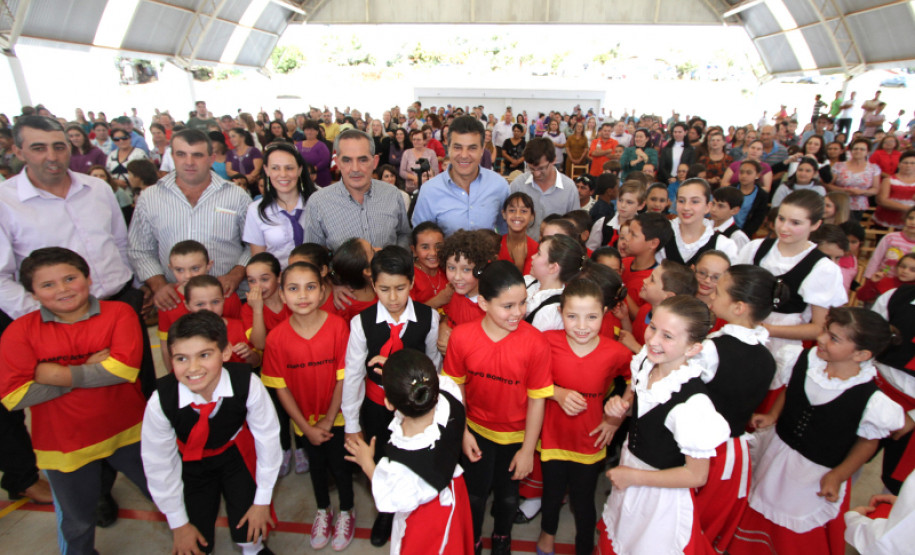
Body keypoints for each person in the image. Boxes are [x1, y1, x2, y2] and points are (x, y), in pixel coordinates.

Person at [0, 116, 151, 507]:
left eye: (59, 145)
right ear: (17, 151)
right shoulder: (5, 202)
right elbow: (1, 277)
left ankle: (153, 473)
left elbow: (120, 243)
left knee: (133, 393)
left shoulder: (97, 188)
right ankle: (93, 491)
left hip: (117, 304)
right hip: (53, 321)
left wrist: (131, 291)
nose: (52, 156)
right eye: (38, 147)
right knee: (77, 409)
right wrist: (49, 321)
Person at [0, 247, 150, 554]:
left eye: (70, 278)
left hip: (131, 431)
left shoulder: (119, 313)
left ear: (88, 278)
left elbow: (122, 369)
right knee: (77, 521)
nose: (63, 289)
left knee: (169, 495)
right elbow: (15, 397)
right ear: (33, 293)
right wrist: (88, 370)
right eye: (48, 285)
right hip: (64, 446)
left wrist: (51, 374)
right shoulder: (19, 332)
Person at [730, 308, 905, 555]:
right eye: (825, 330)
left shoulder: (871, 401)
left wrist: (839, 475)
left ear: (861, 354)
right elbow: (791, 390)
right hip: (778, 451)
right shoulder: (807, 359)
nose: (821, 339)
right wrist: (773, 415)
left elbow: (867, 444)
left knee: (794, 530)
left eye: (834, 338)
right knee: (759, 500)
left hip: (814, 473)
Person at [142, 310, 281, 555]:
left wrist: (262, 501)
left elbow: (267, 439)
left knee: (248, 521)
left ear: (225, 352)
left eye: (204, 355)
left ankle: (253, 549)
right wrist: (178, 524)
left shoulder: (247, 383)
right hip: (191, 464)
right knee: (196, 536)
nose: (193, 368)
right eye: (181, 358)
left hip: (234, 456)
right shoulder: (160, 401)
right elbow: (159, 464)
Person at [600, 295, 730, 555]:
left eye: (667, 336)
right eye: (652, 327)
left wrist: (633, 476)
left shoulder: (692, 405)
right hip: (631, 470)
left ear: (692, 349)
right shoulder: (646, 362)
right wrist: (619, 409)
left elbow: (696, 475)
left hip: (659, 493)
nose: (653, 340)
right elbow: (636, 400)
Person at [442, 261, 554, 555]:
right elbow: (456, 392)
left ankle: (502, 537)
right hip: (476, 433)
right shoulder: (462, 337)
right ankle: (474, 539)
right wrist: (463, 433)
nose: (518, 312)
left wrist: (528, 450)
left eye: (522, 303)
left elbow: (537, 399)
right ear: (483, 303)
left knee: (507, 498)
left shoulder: (536, 343)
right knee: (475, 496)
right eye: (507, 306)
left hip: (516, 439)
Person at [341, 246, 442, 547]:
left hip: (415, 407)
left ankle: (414, 505)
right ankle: (385, 510)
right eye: (384, 289)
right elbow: (354, 373)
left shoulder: (429, 318)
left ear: (412, 282)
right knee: (382, 458)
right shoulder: (361, 322)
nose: (393, 297)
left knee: (411, 457)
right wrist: (350, 423)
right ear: (373, 285)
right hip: (376, 405)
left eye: (400, 288)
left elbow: (433, 363)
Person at [259, 261, 356, 551]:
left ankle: (348, 511)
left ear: (323, 289)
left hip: (335, 419)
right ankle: (323, 510)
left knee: (340, 468)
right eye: (293, 288)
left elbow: (344, 379)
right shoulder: (276, 338)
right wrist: (304, 426)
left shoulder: (339, 328)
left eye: (310, 287)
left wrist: (328, 420)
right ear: (282, 292)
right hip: (303, 422)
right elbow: (281, 389)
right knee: (317, 469)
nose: (302, 295)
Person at [344, 349, 474, 555]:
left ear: (388, 403)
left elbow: (389, 494)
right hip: (453, 491)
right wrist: (402, 373)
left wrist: (367, 462)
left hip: (425, 518)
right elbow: (427, 383)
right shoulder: (449, 395)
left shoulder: (402, 464)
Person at [535, 279, 632, 555]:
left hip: (590, 441)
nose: (581, 325)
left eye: (591, 317)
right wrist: (556, 393)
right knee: (551, 495)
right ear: (560, 314)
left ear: (604, 313)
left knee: (583, 500)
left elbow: (637, 380)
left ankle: (584, 547)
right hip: (553, 437)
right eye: (572, 316)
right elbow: (526, 377)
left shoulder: (615, 351)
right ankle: (546, 537)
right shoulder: (546, 342)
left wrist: (616, 417)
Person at [692, 265, 784, 551]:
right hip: (734, 452)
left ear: (739, 307)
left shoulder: (711, 350)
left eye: (718, 291)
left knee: (686, 519)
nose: (712, 293)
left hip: (701, 450)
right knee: (708, 523)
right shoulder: (767, 357)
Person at [129, 129, 251, 314]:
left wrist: (236, 275)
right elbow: (140, 249)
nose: (189, 162)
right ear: (172, 156)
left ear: (211, 158)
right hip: (174, 300)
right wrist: (159, 285)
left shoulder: (236, 196)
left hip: (227, 299)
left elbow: (254, 244)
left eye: (197, 155)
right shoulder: (150, 198)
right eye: (181, 154)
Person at [736, 189, 848, 357]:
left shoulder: (822, 268)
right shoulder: (755, 248)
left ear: (816, 225)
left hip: (783, 345)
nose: (783, 227)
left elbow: (818, 328)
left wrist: (766, 329)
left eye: (795, 223)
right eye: (781, 219)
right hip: (741, 330)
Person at [303, 129, 411, 250]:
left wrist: (395, 259)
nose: (355, 168)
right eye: (347, 160)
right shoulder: (318, 202)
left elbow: (403, 234)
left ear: (375, 162)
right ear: (337, 163)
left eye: (363, 160)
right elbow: (313, 254)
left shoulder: (392, 194)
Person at [411, 116, 510, 236]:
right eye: (457, 147)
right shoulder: (429, 191)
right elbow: (421, 240)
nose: (464, 155)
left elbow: (507, 234)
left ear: (482, 150)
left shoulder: (499, 186)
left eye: (472, 148)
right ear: (448, 148)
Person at [871, 285, 915, 495]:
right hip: (875, 388)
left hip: (913, 411)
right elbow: (869, 336)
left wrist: (913, 417)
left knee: (900, 487)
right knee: (839, 457)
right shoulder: (900, 294)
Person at [244, 142, 317, 267]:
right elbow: (259, 261)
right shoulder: (255, 210)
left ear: (299, 170)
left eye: (289, 168)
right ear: (266, 170)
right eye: (275, 168)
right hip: (279, 282)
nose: (283, 174)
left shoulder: (317, 201)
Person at [509, 138, 579, 240]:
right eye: (531, 169)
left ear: (554, 160)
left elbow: (574, 226)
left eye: (541, 168)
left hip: (556, 250)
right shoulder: (518, 185)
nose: (536, 174)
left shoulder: (569, 188)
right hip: (524, 248)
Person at [659, 178, 738, 265]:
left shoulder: (723, 246)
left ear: (708, 206)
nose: (686, 207)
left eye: (695, 201)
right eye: (681, 201)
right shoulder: (662, 233)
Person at [828, 138, 881, 221]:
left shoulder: (873, 168)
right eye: (855, 149)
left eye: (862, 149)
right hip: (839, 203)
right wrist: (844, 190)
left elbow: (875, 189)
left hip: (859, 206)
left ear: (868, 152)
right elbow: (829, 184)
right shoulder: (839, 166)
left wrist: (862, 192)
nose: (858, 151)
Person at [864, 206, 915, 279]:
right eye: (910, 218)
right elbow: (876, 259)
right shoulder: (890, 238)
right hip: (883, 280)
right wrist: (869, 277)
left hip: (909, 286)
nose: (913, 222)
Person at [409, 221, 452, 307]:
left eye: (438, 246)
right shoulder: (409, 276)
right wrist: (438, 300)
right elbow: (410, 315)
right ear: (414, 250)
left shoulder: (449, 270)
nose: (433, 253)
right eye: (425, 247)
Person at [499, 192, 538, 275]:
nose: (517, 215)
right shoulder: (494, 246)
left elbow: (529, 286)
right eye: (512, 210)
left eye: (523, 211)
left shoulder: (537, 250)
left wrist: (519, 264)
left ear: (532, 216)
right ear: (504, 214)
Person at [874, 150, 915, 229]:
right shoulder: (888, 180)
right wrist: (908, 209)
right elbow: (882, 200)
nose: (908, 165)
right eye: (905, 163)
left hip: (912, 222)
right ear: (899, 165)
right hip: (888, 219)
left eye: (912, 163)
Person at [732, 160, 773, 236]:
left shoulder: (761, 195)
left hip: (746, 232)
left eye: (749, 173)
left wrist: (743, 234)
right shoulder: (730, 190)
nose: (744, 175)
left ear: (757, 175)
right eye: (741, 172)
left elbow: (758, 218)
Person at [709, 187, 751, 251]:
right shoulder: (705, 225)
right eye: (713, 204)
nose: (713, 209)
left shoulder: (737, 237)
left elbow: (742, 259)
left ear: (734, 210)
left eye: (721, 206)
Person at [296, 120, 332, 187]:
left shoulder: (321, 145)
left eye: (312, 130)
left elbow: (325, 160)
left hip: (320, 177)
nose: (309, 132)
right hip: (302, 176)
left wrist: (312, 170)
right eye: (307, 129)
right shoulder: (298, 145)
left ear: (317, 132)